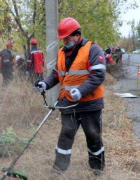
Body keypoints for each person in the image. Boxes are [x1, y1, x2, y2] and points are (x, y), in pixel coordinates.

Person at [35, 17, 106, 176]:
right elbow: (56, 74)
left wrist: (81, 91)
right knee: (65, 135)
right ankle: (59, 169)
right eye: (63, 38)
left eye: (67, 37)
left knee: (93, 135)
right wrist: (45, 84)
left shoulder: (92, 49)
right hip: (67, 104)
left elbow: (99, 74)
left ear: (77, 34)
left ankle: (97, 168)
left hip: (90, 104)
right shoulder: (61, 52)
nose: (65, 40)